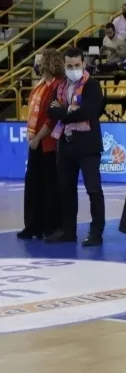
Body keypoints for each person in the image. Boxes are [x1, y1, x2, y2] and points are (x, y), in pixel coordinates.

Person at [46, 47, 105, 247]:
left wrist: (63, 112)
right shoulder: (60, 86)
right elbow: (50, 111)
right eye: (69, 66)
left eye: (77, 65)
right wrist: (68, 111)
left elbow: (89, 111)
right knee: (66, 189)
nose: (73, 69)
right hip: (66, 144)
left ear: (83, 64)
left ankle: (96, 232)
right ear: (64, 66)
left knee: (93, 189)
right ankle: (68, 231)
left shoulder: (93, 86)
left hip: (87, 146)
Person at [18, 49, 64, 240]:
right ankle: (32, 225)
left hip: (49, 142)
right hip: (36, 141)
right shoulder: (40, 85)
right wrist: (32, 136)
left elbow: (52, 118)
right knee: (32, 183)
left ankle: (48, 225)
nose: (36, 65)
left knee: (48, 184)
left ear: (49, 63)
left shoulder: (57, 85)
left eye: (39, 61)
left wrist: (38, 138)